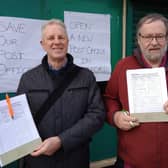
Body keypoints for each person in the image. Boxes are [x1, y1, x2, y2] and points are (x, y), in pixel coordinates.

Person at [17, 19, 105, 168]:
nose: (56, 42)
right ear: (42, 44)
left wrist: (61, 141)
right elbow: (19, 120)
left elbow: (97, 115)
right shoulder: (28, 79)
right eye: (51, 38)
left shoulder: (86, 76)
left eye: (61, 37)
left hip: (75, 158)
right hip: (38, 159)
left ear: (67, 41)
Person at [104, 13, 168, 168]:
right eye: (147, 37)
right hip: (131, 161)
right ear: (139, 39)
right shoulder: (123, 66)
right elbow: (109, 98)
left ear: (166, 38)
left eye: (159, 36)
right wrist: (115, 116)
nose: (154, 42)